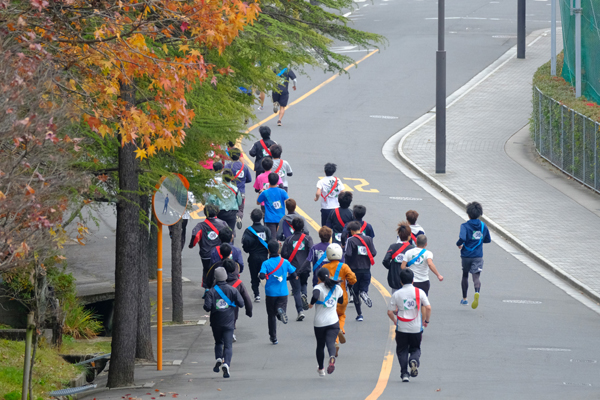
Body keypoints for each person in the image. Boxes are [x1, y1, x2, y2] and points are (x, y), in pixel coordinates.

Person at [387, 269, 431, 383]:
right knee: (415, 348)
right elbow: (428, 307)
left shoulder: (397, 294)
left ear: (401, 281)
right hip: (416, 328)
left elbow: (390, 312)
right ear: (413, 280)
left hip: (402, 327)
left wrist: (395, 321)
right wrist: (426, 320)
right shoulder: (419, 292)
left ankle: (404, 374)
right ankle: (414, 360)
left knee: (402, 350)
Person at [204, 267, 245, 378]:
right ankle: (226, 364)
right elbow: (241, 303)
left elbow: (207, 307)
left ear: (216, 278)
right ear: (226, 277)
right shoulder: (232, 290)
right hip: (229, 321)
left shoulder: (211, 291)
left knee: (218, 342)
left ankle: (218, 358)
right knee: (228, 346)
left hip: (216, 322)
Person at [259, 240, 297, 344]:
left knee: (271, 315)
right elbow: (294, 275)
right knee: (281, 307)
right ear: (279, 250)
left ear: (268, 251)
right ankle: (280, 312)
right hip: (283, 292)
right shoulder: (285, 262)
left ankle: (273, 337)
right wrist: (285, 279)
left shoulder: (266, 263)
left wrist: (264, 276)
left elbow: (262, 275)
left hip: (270, 293)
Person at [321, 243, 356, 357]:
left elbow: (319, 283)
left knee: (330, 320)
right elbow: (353, 279)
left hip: (328, 299)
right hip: (341, 298)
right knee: (341, 315)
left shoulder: (324, 268)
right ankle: (340, 329)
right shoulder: (344, 267)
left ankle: (335, 341)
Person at [309, 268, 344, 376]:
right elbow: (341, 301)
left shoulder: (318, 287)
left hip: (320, 323)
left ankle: (321, 369)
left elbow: (315, 295)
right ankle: (332, 357)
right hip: (333, 321)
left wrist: (311, 304)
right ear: (329, 276)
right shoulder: (337, 288)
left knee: (320, 345)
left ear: (319, 278)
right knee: (331, 343)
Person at [457, 201, 491, 309]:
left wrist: (458, 244)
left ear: (468, 214)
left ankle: (465, 299)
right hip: (478, 255)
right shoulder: (482, 225)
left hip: (466, 255)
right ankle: (477, 291)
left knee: (465, 275)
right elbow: (487, 239)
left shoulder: (465, 226)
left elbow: (462, 238)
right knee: (476, 276)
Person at [189, 204, 229, 297]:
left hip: (206, 254)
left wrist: (192, 245)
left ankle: (207, 289)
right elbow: (229, 235)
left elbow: (195, 236)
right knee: (221, 269)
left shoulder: (200, 225)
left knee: (207, 270)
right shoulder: (223, 224)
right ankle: (221, 289)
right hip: (220, 253)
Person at [281, 217, 314, 321]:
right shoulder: (308, 238)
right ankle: (304, 295)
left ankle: (300, 311)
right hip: (305, 267)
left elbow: (283, 254)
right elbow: (311, 252)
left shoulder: (289, 239)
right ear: (303, 226)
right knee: (304, 284)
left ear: (293, 227)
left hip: (293, 269)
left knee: (296, 290)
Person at [344, 221, 377, 321]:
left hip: (354, 270)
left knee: (355, 293)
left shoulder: (351, 240)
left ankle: (360, 314)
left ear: (352, 231)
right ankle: (364, 292)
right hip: (366, 269)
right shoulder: (369, 239)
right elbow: (374, 252)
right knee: (364, 286)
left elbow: (348, 254)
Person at [241, 209, 272, 302]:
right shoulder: (266, 229)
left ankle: (257, 295)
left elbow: (245, 244)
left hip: (253, 256)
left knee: (254, 276)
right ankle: (269, 293)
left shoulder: (248, 231)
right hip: (264, 257)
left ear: (251, 218)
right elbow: (270, 242)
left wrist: (248, 249)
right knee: (267, 275)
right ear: (262, 217)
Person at [223, 258, 253, 342]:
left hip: (219, 309)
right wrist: (249, 311)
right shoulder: (238, 283)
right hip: (233, 308)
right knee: (232, 321)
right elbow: (247, 298)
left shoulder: (217, 282)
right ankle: (230, 333)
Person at [205, 170, 243, 234]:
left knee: (219, 232)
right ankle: (230, 243)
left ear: (222, 177)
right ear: (231, 178)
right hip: (232, 213)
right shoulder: (235, 189)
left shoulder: (216, 188)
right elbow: (239, 202)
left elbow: (211, 200)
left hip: (220, 213)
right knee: (230, 232)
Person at [382, 222, 415, 293]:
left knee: (395, 297)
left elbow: (385, 260)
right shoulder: (412, 249)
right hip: (408, 278)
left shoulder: (393, 247)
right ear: (409, 236)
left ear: (399, 235)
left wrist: (391, 267)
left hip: (394, 278)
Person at [224, 148, 252, 228]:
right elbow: (249, 179)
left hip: (231, 191)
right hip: (241, 191)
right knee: (240, 208)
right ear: (239, 156)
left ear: (230, 156)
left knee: (230, 208)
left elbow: (224, 178)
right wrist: (242, 181)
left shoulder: (228, 166)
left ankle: (230, 224)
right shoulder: (244, 167)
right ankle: (239, 216)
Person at [257, 173, 289, 239]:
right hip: (281, 218)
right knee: (279, 238)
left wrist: (260, 192)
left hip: (269, 219)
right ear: (277, 181)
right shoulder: (282, 192)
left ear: (268, 181)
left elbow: (258, 202)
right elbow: (288, 202)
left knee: (272, 239)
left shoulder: (264, 192)